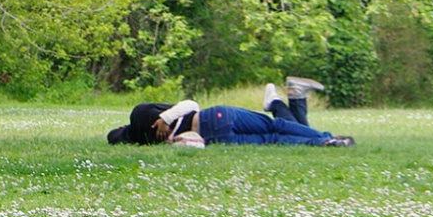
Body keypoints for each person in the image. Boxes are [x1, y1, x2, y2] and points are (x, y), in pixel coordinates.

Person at [107, 77, 354, 147]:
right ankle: (320, 134)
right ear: (122, 128)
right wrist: (166, 117)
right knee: (274, 125)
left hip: (216, 138)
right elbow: (191, 105)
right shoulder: (140, 114)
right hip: (214, 116)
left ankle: (326, 141)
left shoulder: (148, 143)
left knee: (273, 138)